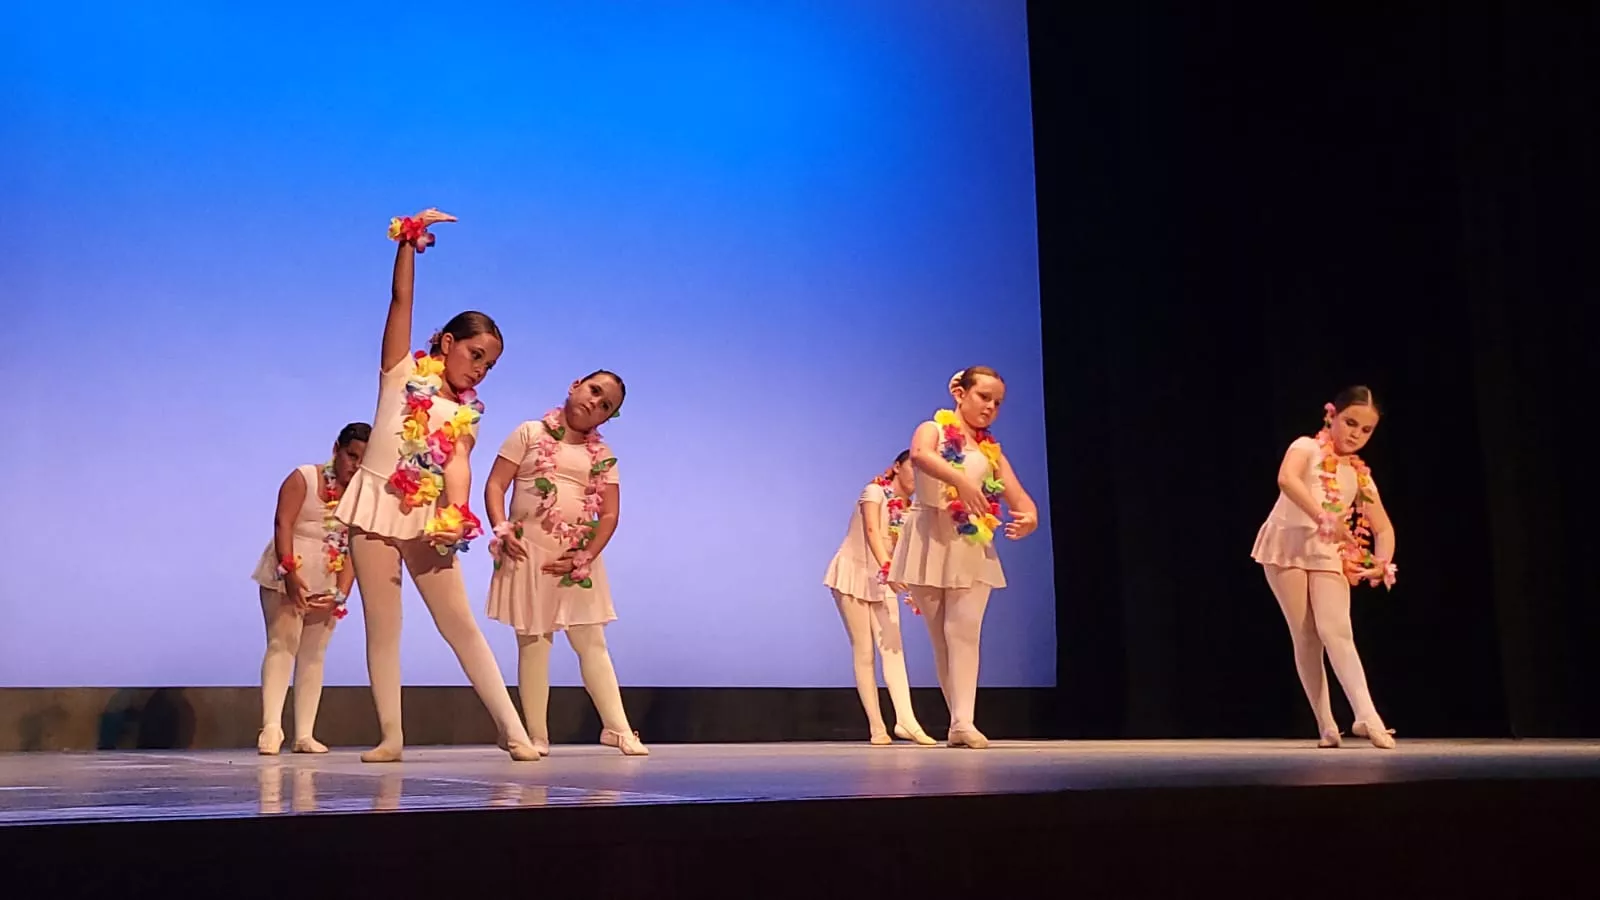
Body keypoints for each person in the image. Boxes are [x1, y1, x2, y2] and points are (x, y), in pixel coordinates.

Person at [333, 208, 538, 762]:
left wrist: (457, 515)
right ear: (446, 343)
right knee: (384, 627)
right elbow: (400, 303)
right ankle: (391, 737)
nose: (479, 370)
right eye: (476, 355)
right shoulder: (402, 373)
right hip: (375, 503)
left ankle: (512, 729)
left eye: (489, 366)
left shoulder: (462, 414)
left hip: (428, 521)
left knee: (460, 625)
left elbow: (459, 465)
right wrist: (407, 241)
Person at [484, 372, 647, 756]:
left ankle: (618, 728)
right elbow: (496, 484)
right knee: (534, 644)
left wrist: (586, 554)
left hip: (575, 556)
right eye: (594, 391)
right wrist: (501, 527)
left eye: (606, 404)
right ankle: (537, 733)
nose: (595, 403)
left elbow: (608, 514)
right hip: (528, 552)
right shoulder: (529, 432)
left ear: (607, 418)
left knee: (591, 641)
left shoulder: (602, 456)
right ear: (575, 385)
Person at [889, 367, 1040, 748]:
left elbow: (1020, 499)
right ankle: (957, 720)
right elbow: (921, 456)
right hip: (928, 538)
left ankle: (964, 721)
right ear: (960, 392)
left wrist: (1029, 517)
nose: (990, 407)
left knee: (964, 632)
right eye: (983, 397)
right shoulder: (933, 429)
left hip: (970, 544)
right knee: (941, 638)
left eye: (997, 402)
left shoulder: (991, 452)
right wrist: (959, 479)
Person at [1251, 385, 1399, 750]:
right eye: (1350, 423)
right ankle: (1326, 723)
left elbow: (1382, 527)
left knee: (1337, 630)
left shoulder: (1360, 475)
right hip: (1287, 542)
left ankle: (1367, 714)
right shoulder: (1306, 447)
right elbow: (1287, 479)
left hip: (1326, 550)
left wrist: (1382, 562)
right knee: (1306, 635)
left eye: (1365, 430)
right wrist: (1322, 515)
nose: (1355, 434)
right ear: (1331, 415)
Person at [249, 422, 369, 755]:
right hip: (289, 571)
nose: (355, 465)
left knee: (314, 655)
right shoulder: (304, 477)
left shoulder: (364, 497)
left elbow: (355, 547)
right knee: (282, 643)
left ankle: (304, 733)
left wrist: (341, 593)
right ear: (337, 450)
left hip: (328, 576)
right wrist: (288, 573)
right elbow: (282, 523)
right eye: (351, 456)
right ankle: (271, 727)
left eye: (363, 459)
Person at [823, 451, 936, 745]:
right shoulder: (874, 492)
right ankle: (877, 726)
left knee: (894, 650)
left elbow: (905, 553)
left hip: (883, 578)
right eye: (914, 468)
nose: (918, 476)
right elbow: (873, 531)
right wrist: (890, 570)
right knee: (864, 651)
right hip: (853, 574)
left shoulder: (910, 511)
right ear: (897, 467)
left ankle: (906, 721)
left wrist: (911, 588)